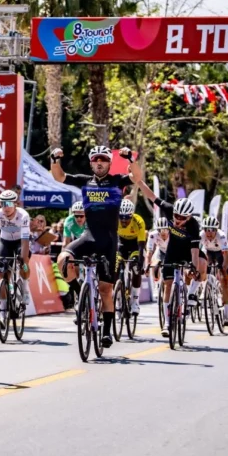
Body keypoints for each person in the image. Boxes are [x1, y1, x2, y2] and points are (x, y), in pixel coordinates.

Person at [51, 145, 143, 348]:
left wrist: (130, 159)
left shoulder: (117, 181)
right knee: (62, 259)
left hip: (109, 241)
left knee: (105, 290)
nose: (99, 162)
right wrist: (54, 159)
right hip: (88, 236)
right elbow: (59, 177)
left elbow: (136, 176)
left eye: (103, 159)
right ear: (91, 163)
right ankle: (78, 293)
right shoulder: (85, 181)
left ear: (109, 163)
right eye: (95, 159)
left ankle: (107, 333)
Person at [136, 180, 202, 338]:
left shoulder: (193, 226)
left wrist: (193, 267)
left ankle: (190, 295)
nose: (178, 220)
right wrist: (138, 181)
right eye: (176, 216)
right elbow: (152, 196)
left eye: (182, 218)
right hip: (172, 250)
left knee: (198, 267)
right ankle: (167, 322)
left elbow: (194, 251)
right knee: (167, 285)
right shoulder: (168, 209)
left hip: (187, 251)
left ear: (189, 217)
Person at [0, 190, 31, 321]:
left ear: (16, 204)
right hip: (5, 242)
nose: (5, 207)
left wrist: (23, 259)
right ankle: (3, 311)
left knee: (24, 263)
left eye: (9, 203)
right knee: (2, 276)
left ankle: (25, 289)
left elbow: (25, 241)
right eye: (2, 203)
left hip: (20, 242)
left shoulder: (23, 216)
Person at [117, 198, 147, 314]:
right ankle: (118, 297)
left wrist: (140, 262)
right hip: (121, 243)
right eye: (121, 217)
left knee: (135, 268)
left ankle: (135, 300)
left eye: (127, 218)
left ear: (132, 215)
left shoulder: (139, 221)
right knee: (115, 265)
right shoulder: (114, 219)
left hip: (135, 244)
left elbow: (141, 245)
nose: (124, 221)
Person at [199, 216, 228, 323]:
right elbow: (197, 250)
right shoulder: (201, 235)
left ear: (216, 230)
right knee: (204, 264)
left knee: (225, 281)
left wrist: (224, 269)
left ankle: (226, 315)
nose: (209, 233)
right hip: (208, 251)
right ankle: (204, 288)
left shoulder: (221, 236)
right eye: (206, 229)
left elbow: (226, 255)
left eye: (212, 230)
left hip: (219, 252)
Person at [145, 217, 170, 284]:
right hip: (160, 250)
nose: (163, 232)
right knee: (154, 264)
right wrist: (147, 266)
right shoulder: (153, 235)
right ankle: (157, 284)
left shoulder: (173, 234)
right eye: (160, 230)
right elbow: (149, 252)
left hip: (171, 252)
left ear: (169, 229)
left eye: (165, 229)